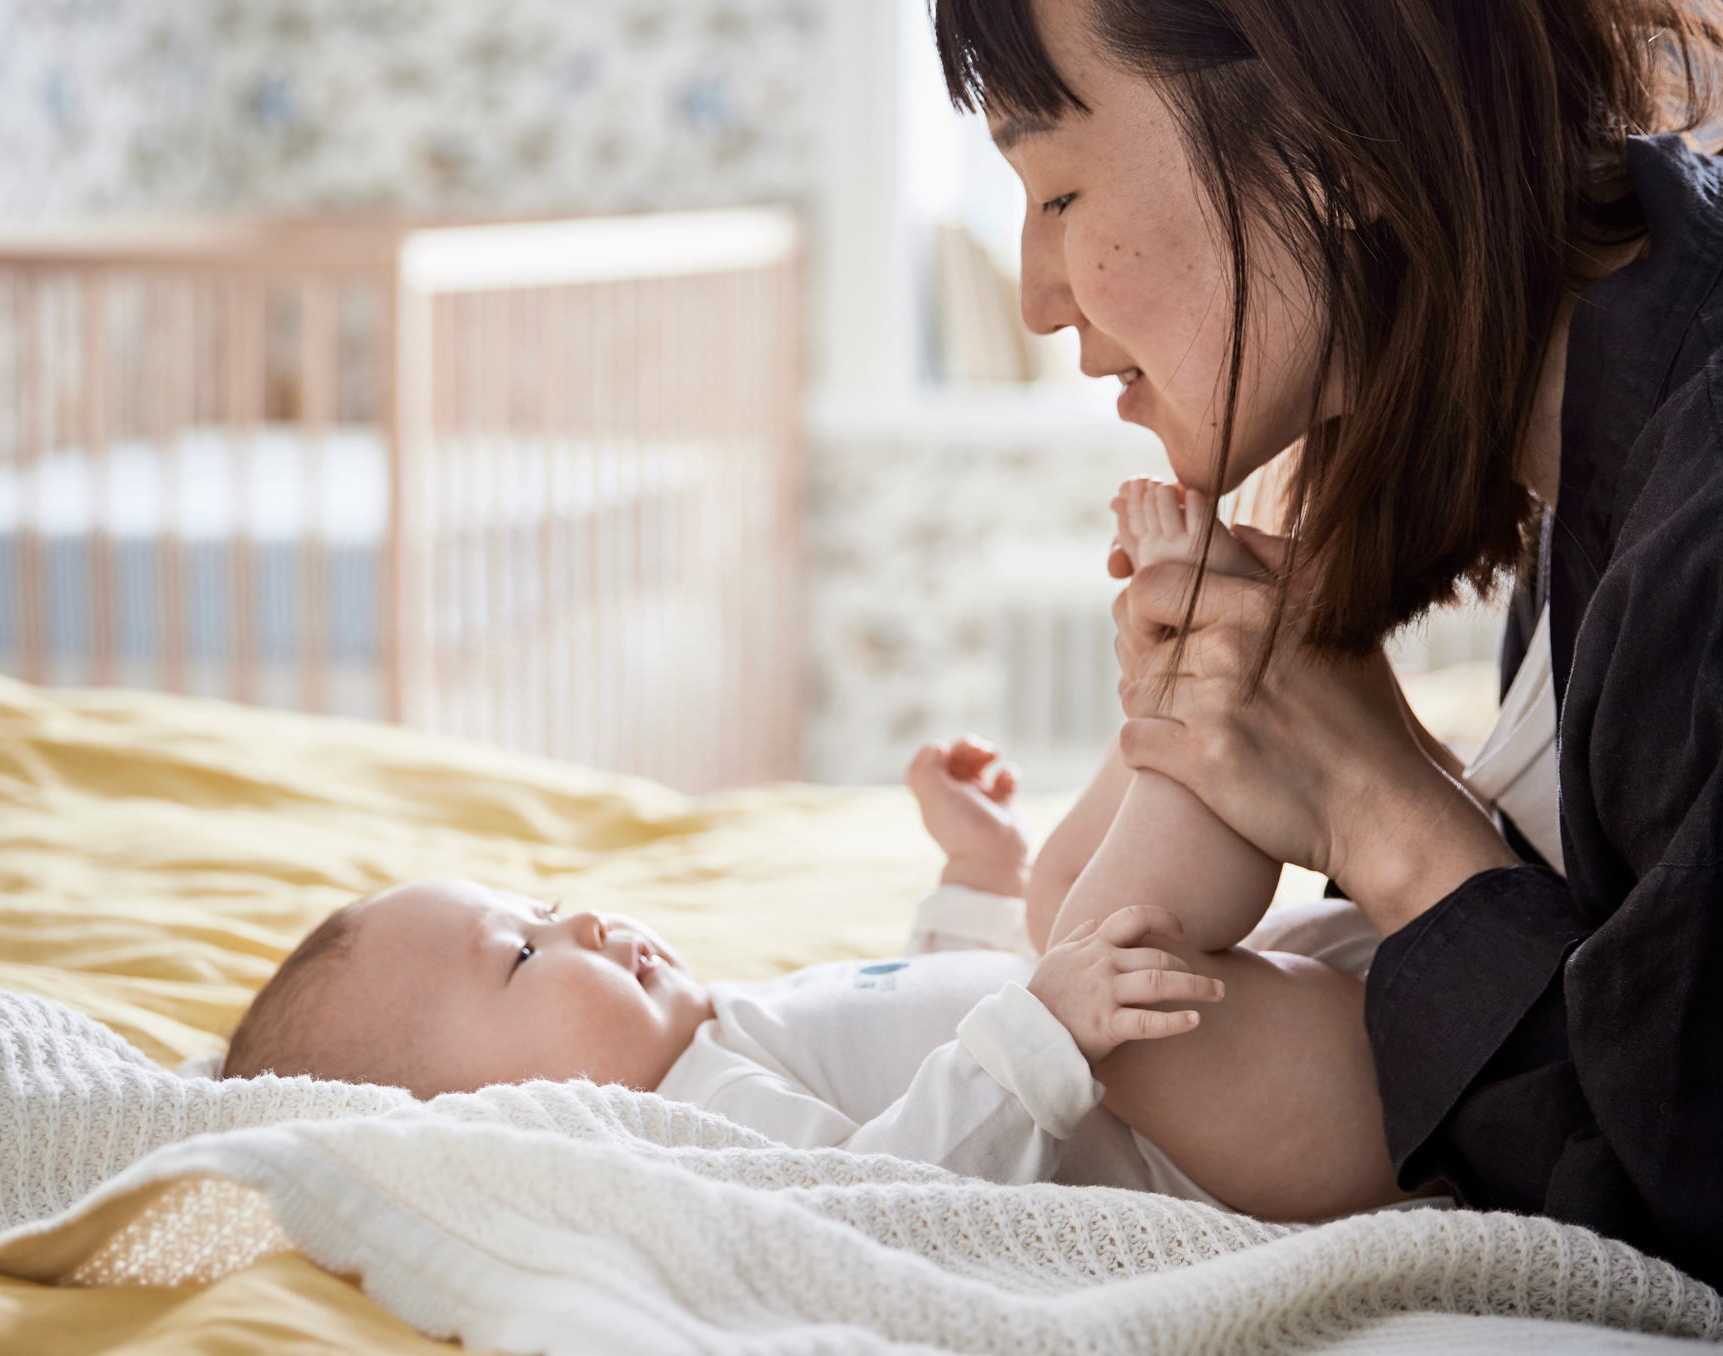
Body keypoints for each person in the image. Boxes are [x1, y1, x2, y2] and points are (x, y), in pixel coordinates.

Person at [935, 0, 1723, 1281]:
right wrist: (1348, 749)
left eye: (1059, 192)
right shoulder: (1605, 434)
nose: (1034, 298)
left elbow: (1673, 1230)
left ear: (1331, 139)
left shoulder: (1698, 521)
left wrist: (1375, 811)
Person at [220, 482, 1403, 1224]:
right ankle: (1212, 682)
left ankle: (1200, 694)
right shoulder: (696, 1127)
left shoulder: (720, 1034)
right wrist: (1041, 1031)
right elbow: (895, 1190)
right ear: (504, 1120)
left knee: (1055, 902)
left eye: (540, 904)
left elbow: (917, 1026)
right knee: (1096, 936)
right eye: (522, 957)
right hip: (1260, 1126)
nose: (577, 920)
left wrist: (972, 880)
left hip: (1268, 1031)